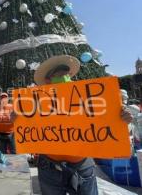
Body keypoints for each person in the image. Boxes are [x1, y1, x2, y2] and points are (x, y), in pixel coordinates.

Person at [33, 55, 133, 195]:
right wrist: (17, 119)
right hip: (50, 166)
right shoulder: (35, 102)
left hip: (82, 164)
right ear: (48, 79)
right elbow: (30, 127)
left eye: (68, 74)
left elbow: (104, 120)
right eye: (60, 74)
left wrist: (122, 118)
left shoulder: (88, 96)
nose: (66, 77)